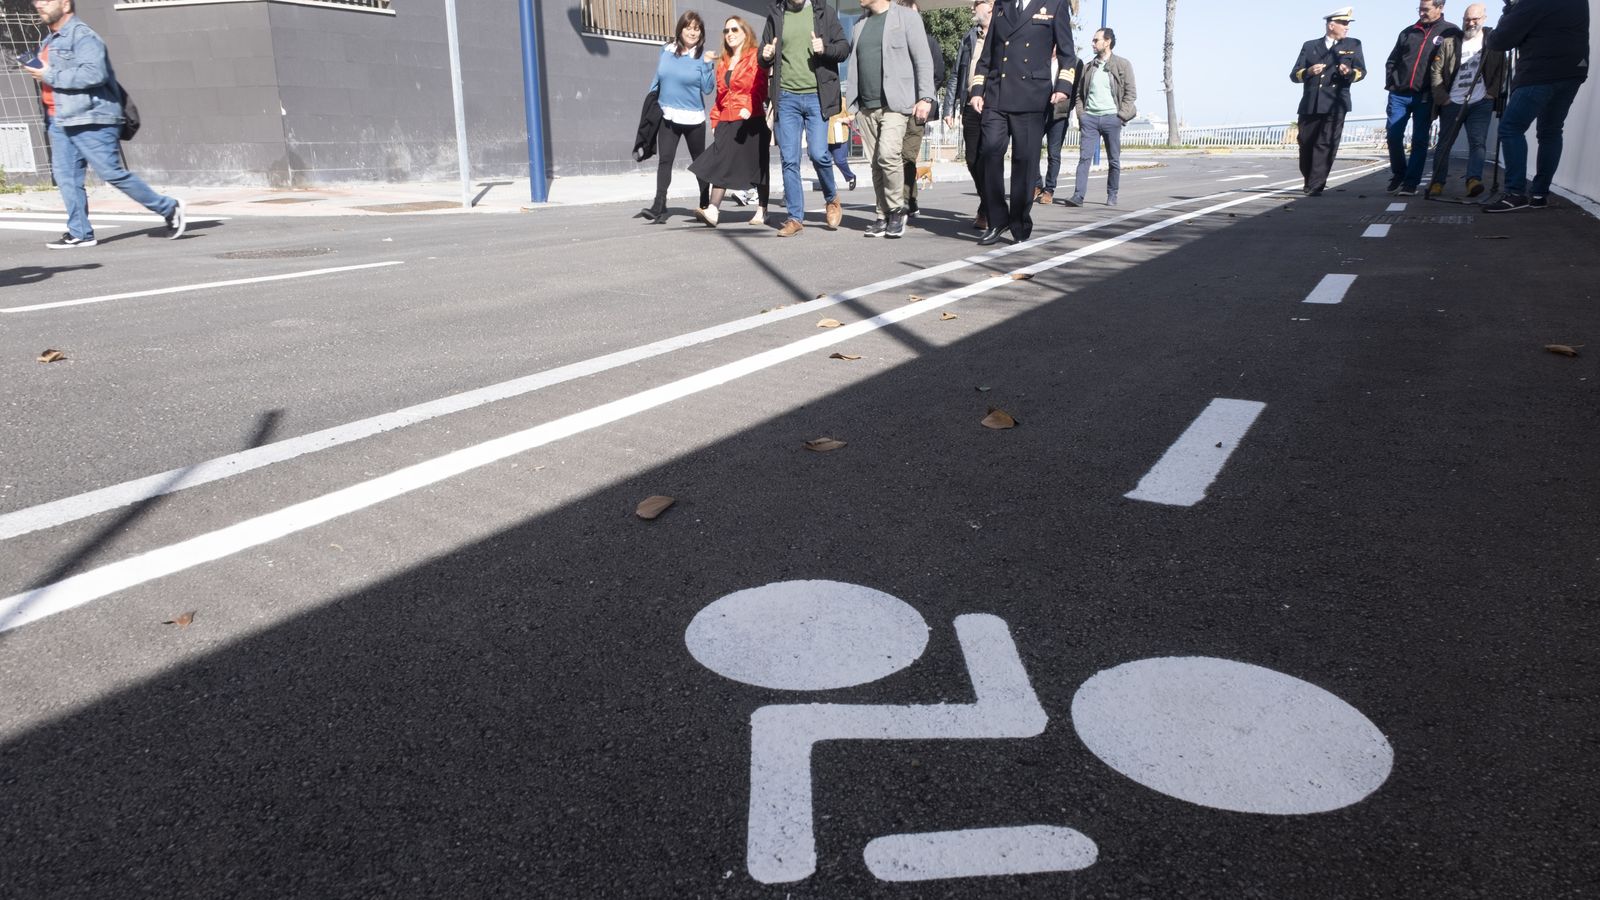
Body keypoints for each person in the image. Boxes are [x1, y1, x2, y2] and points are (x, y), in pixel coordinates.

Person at [20, 0, 185, 249]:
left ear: (65, 5)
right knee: (66, 178)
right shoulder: (50, 39)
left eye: (46, 0)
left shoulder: (84, 35)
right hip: (61, 119)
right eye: (37, 1)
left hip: (91, 117)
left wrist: (48, 73)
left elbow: (94, 74)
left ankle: (169, 207)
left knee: (111, 173)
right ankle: (80, 233)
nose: (39, 4)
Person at [968, 0, 1078, 246]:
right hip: (997, 93)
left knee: (1025, 162)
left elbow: (1067, 55)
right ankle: (997, 219)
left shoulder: (1055, 4)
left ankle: (1018, 221)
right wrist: (977, 89)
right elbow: (988, 54)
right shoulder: (1002, 5)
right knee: (989, 151)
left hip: (1032, 95)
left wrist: (1063, 86)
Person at [1483, 0, 1590, 213]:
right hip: (1573, 70)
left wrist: (1509, 10)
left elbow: (1500, 41)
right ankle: (1539, 194)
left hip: (1539, 72)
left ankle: (1515, 193)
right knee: (1550, 131)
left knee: (1510, 127)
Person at [759, 0, 850, 238]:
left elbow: (844, 48)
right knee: (789, 159)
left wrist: (825, 48)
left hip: (816, 96)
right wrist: (764, 54)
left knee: (819, 153)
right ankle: (795, 217)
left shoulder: (824, 12)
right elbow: (764, 53)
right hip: (786, 97)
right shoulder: (776, 14)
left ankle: (832, 198)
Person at [847, 0, 936, 239]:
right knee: (875, 163)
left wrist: (926, 97)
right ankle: (882, 214)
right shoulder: (859, 24)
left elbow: (923, 60)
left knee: (888, 155)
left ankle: (897, 210)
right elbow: (854, 64)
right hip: (865, 106)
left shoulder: (907, 18)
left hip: (895, 104)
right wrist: (850, 105)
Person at [690, 17, 772, 227]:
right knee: (720, 162)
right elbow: (720, 96)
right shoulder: (724, 61)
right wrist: (715, 120)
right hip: (727, 119)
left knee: (758, 166)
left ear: (745, 32)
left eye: (735, 29)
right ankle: (714, 209)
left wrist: (751, 106)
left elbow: (761, 87)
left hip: (750, 120)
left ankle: (762, 209)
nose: (730, 34)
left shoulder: (755, 56)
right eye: (726, 30)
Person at [637, 12, 715, 224]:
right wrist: (650, 102)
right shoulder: (666, 50)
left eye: (697, 28)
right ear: (680, 29)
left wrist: (708, 64)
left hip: (693, 118)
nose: (692, 31)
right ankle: (659, 205)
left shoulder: (701, 57)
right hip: (667, 114)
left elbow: (708, 89)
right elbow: (658, 78)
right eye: (688, 27)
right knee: (665, 160)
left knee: (699, 163)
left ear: (701, 33)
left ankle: (705, 202)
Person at [1426, 3, 1506, 199]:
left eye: (1475, 19)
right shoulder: (1449, 42)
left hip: (1481, 102)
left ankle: (1473, 180)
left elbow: (1502, 69)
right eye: (1467, 19)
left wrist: (1491, 93)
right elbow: (1436, 71)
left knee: (1477, 142)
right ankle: (1437, 182)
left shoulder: (1492, 42)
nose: (1470, 23)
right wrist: (1442, 98)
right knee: (1444, 144)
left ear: (1484, 19)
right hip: (1452, 102)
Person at [1384, 0, 1460, 196]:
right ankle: (1399, 173)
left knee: (1419, 140)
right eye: (1420, 9)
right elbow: (1392, 60)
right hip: (1399, 94)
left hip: (1426, 96)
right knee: (1393, 136)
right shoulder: (1408, 32)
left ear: (1440, 8)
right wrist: (1392, 82)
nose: (1422, 13)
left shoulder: (1450, 32)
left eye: (1426, 9)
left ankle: (1411, 183)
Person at [1291, 8, 1368, 197]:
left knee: (1326, 144)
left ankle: (1316, 185)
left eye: (1348, 24)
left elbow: (1361, 72)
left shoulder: (1353, 44)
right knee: (1306, 143)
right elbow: (1294, 74)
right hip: (1311, 102)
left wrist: (1348, 73)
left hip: (1336, 103)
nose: (1347, 27)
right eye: (1343, 23)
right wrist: (1308, 72)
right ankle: (1309, 179)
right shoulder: (1310, 46)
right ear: (1331, 24)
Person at [1065, 27, 1137, 207]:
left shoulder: (1123, 65)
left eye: (1096, 40)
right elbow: (1079, 95)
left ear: (1107, 42)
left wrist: (1120, 116)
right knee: (1084, 158)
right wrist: (1082, 115)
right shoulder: (1089, 67)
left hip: (1112, 119)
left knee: (1114, 159)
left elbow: (1131, 93)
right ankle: (1078, 196)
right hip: (1090, 119)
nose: (1093, 43)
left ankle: (1112, 194)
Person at [943, 0, 994, 230]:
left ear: (990, 5)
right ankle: (987, 201)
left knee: (989, 157)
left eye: (977, 3)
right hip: (969, 103)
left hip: (994, 104)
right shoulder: (968, 37)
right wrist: (948, 109)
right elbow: (956, 74)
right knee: (972, 159)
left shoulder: (1004, 34)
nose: (973, 8)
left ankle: (988, 208)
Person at [897, 0, 946, 220]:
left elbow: (938, 74)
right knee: (891, 155)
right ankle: (903, 200)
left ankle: (907, 201)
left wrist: (925, 99)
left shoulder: (929, 42)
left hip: (917, 109)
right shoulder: (894, 43)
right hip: (894, 107)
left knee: (907, 155)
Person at [826, 106, 859, 191]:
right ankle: (828, 183)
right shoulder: (822, 100)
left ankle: (850, 177)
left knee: (840, 160)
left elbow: (852, 116)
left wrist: (843, 120)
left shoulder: (843, 101)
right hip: (825, 135)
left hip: (840, 135)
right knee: (824, 161)